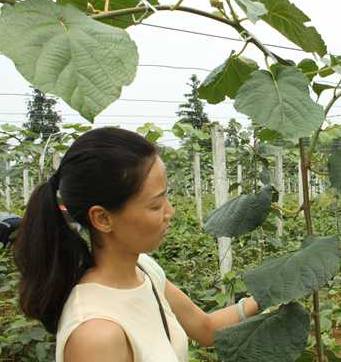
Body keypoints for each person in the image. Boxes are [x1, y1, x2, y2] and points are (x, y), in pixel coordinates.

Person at [14, 127, 259, 362]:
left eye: (166, 197)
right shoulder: (95, 335)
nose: (170, 212)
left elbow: (206, 328)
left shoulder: (144, 270)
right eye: (155, 205)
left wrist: (270, 294)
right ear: (102, 218)